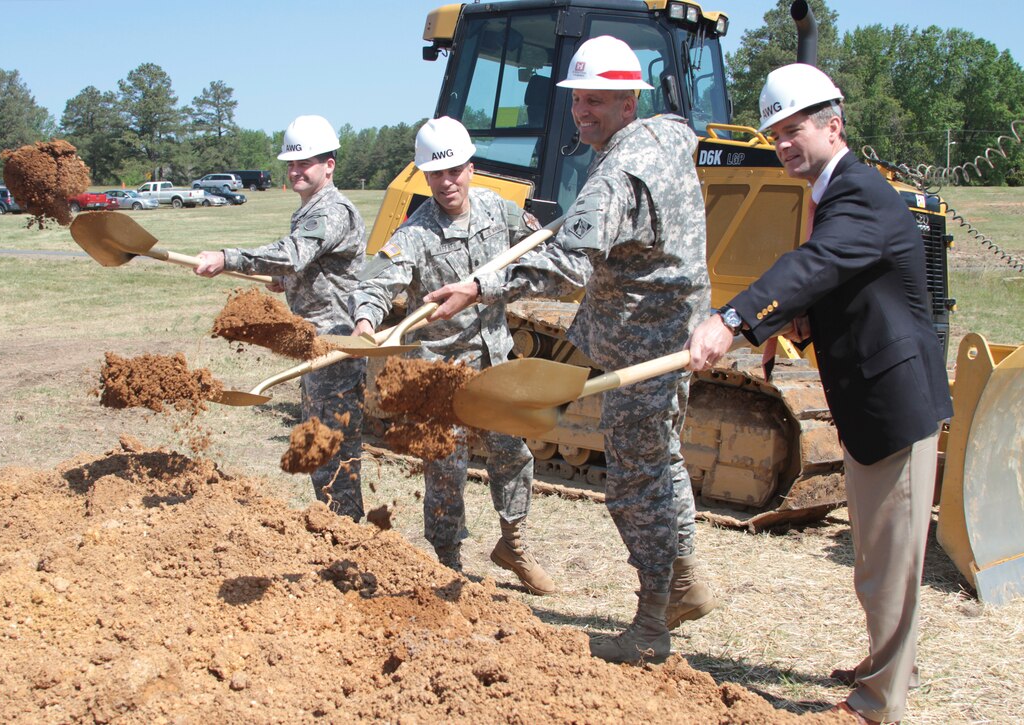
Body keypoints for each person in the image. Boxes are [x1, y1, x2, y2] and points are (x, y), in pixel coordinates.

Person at [424, 35, 715, 663]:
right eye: (578, 98)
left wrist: (479, 286)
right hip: (680, 326)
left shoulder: (614, 175)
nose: (583, 111)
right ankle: (685, 582)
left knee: (635, 484)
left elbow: (565, 269)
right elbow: (679, 134)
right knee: (661, 462)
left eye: (598, 100)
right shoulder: (667, 135)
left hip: (644, 346)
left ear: (627, 98)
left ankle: (651, 624)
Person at [687, 63, 953, 724]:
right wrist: (790, 320)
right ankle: (886, 664)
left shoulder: (856, 191)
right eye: (775, 136)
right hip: (874, 397)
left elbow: (817, 264)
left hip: (894, 400)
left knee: (886, 561)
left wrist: (732, 319)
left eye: (794, 130)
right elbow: (844, 280)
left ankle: (876, 703)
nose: (783, 147)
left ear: (834, 124)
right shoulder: (838, 192)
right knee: (876, 550)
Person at [348, 116, 555, 596]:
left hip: (494, 361)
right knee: (446, 468)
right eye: (436, 174)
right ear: (424, 176)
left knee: (513, 455)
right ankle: (448, 560)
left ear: (470, 167)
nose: (447, 182)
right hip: (440, 372)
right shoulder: (415, 233)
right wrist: (364, 322)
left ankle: (514, 542)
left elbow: (539, 246)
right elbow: (376, 283)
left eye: (455, 170)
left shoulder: (498, 211)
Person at [194, 115, 368, 523]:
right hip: (316, 341)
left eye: (304, 162)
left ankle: (344, 530)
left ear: (329, 165)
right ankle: (336, 525)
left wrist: (228, 258)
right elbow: (306, 264)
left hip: (336, 345)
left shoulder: (332, 210)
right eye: (290, 164)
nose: (295, 171)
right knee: (318, 444)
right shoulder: (312, 208)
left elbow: (294, 253)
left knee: (329, 445)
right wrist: (285, 280)